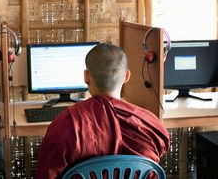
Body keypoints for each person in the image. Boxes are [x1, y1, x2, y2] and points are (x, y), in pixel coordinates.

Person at [35, 43, 170, 179]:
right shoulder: (150, 123)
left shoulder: (67, 124)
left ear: (86, 76)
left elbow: (46, 174)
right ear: (126, 76)